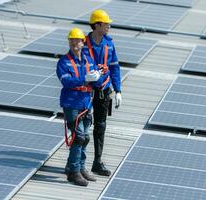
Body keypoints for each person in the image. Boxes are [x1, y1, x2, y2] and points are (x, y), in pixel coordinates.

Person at [56, 27, 107, 186]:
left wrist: (98, 76)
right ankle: (73, 171)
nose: (73, 43)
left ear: (82, 42)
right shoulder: (64, 62)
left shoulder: (88, 60)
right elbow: (66, 81)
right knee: (78, 137)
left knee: (84, 138)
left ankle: (80, 167)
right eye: (71, 40)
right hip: (71, 103)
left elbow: (97, 82)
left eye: (77, 40)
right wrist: (85, 79)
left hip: (86, 102)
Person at [83, 9, 122, 177]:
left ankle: (97, 163)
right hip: (85, 91)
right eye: (106, 23)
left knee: (100, 126)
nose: (109, 26)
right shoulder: (82, 43)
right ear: (97, 25)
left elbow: (114, 68)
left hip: (103, 91)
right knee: (82, 127)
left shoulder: (109, 44)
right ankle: (78, 164)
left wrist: (118, 90)